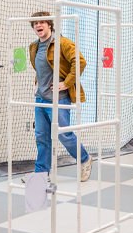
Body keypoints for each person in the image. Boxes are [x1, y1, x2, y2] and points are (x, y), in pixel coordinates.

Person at [29, 12, 92, 182]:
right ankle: (41, 174)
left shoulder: (63, 43)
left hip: (59, 99)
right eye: (35, 23)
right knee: (41, 136)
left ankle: (85, 159)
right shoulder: (34, 46)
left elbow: (80, 62)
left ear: (50, 25)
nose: (38, 26)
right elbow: (41, 68)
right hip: (40, 98)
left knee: (64, 135)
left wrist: (66, 83)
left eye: (42, 22)